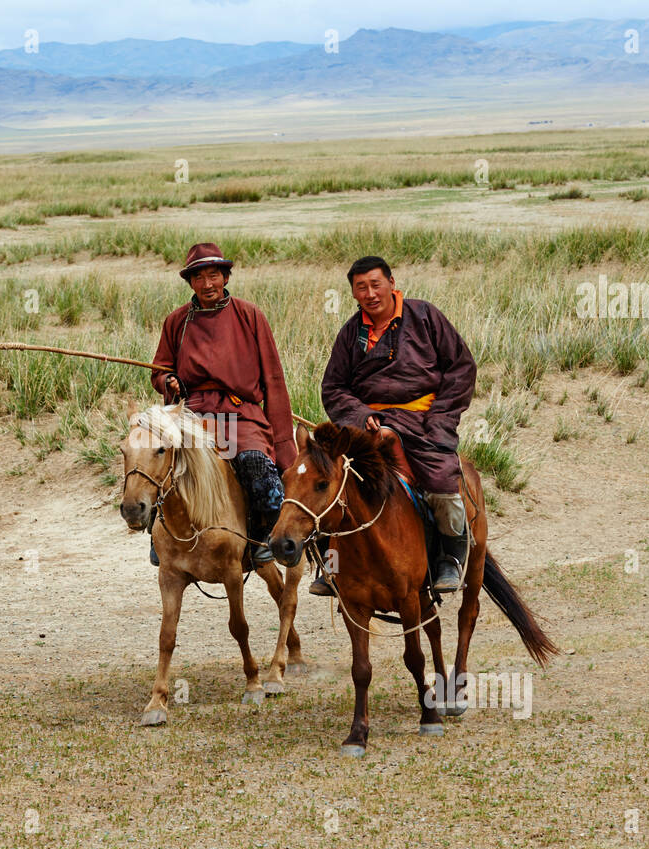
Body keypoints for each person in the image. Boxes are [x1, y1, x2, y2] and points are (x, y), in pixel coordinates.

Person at [315, 255, 477, 594]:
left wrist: (440, 419)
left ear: (392, 282)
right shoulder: (351, 333)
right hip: (367, 426)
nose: (370, 293)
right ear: (354, 294)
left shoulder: (424, 316)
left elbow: (461, 369)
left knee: (441, 478)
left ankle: (450, 558)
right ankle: (330, 565)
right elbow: (333, 387)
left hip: (422, 421)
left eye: (376, 284)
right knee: (324, 478)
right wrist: (359, 416)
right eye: (362, 288)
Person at [148, 242, 297, 567]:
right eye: (198, 278)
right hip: (192, 414)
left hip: (241, 415)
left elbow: (273, 380)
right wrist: (169, 382)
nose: (207, 284)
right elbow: (159, 370)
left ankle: (262, 538)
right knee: (161, 460)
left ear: (225, 277)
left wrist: (284, 442)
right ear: (190, 283)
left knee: (257, 466)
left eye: (213, 276)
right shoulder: (177, 322)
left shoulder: (250, 316)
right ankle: (160, 536)